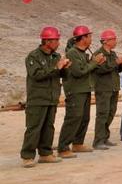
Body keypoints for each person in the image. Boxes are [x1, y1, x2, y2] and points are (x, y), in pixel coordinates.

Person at [20, 27, 70, 168]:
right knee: (34, 127)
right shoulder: (33, 56)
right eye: (56, 40)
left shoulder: (56, 56)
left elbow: (61, 75)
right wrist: (56, 68)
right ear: (47, 41)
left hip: (52, 97)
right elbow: (37, 75)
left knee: (49, 127)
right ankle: (27, 155)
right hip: (37, 98)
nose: (58, 43)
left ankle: (45, 153)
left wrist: (65, 68)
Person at [57, 26, 106, 158]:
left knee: (84, 117)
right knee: (73, 118)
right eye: (89, 36)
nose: (91, 39)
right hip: (75, 91)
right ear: (83, 38)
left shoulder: (83, 53)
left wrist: (95, 62)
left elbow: (86, 68)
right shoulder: (72, 53)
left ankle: (78, 143)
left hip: (85, 89)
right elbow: (79, 72)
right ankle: (63, 147)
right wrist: (94, 63)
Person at [91, 29, 122, 150]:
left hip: (113, 88)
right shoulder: (98, 54)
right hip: (103, 88)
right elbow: (101, 69)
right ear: (106, 41)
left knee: (111, 113)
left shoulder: (112, 54)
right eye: (113, 39)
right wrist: (117, 62)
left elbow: (115, 69)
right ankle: (98, 141)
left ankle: (105, 137)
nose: (116, 41)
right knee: (102, 114)